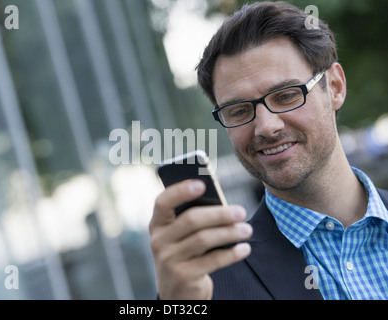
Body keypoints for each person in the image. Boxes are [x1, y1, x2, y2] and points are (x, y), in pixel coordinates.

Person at [149, 1, 388, 300]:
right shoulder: (206, 285)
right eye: (238, 111)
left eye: (286, 95)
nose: (266, 126)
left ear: (335, 86)